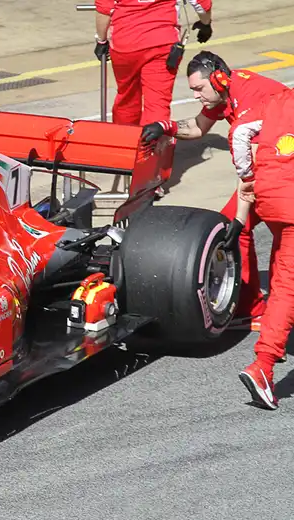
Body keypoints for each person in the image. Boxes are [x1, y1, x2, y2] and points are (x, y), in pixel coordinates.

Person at [140, 51, 289, 326]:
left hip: (280, 168)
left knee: (267, 233)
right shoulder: (226, 92)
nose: (196, 95)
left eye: (199, 88)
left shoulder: (250, 100)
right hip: (275, 165)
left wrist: (240, 215)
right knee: (241, 229)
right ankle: (254, 308)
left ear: (218, 79)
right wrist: (166, 127)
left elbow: (250, 167)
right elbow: (198, 127)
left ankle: (269, 314)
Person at [226, 88, 294, 409]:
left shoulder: (277, 99)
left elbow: (239, 132)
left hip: (269, 196)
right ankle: (264, 365)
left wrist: (248, 176)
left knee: (283, 268)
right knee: (286, 286)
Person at [94, 0, 213, 127]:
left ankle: (125, 141)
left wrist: (101, 40)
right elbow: (201, 3)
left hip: (126, 42)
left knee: (127, 97)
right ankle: (152, 143)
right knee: (158, 101)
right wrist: (206, 24)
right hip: (163, 42)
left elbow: (104, 9)